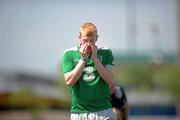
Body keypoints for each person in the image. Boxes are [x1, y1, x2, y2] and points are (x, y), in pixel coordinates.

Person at [62, 22, 116, 120]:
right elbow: (69, 81)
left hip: (103, 110)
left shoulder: (106, 52)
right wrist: (83, 59)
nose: (88, 44)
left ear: (97, 38)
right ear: (79, 38)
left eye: (92, 40)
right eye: (85, 40)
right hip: (79, 111)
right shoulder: (69, 53)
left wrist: (95, 58)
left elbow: (110, 80)